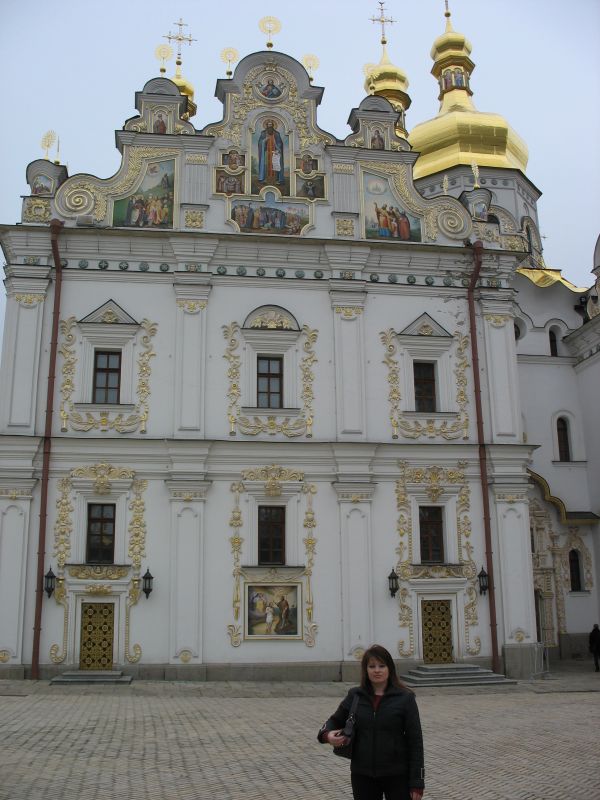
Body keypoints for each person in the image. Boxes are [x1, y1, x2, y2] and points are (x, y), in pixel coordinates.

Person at [318, 644, 424, 800]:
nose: (377, 670)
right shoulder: (355, 696)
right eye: (372, 666)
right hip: (362, 775)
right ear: (365, 670)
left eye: (382, 666)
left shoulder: (405, 698)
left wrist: (417, 782)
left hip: (397, 774)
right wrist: (327, 736)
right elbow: (334, 721)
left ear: (390, 668)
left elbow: (415, 742)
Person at [257, 119, 284, 186]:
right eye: (268, 125)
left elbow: (280, 143)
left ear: (273, 126)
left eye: (271, 125)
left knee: (275, 164)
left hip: (275, 153)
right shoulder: (263, 133)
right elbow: (260, 142)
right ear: (266, 125)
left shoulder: (277, 134)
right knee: (266, 164)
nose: (270, 126)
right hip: (266, 152)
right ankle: (264, 179)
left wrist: (277, 147)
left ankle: (277, 179)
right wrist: (264, 140)